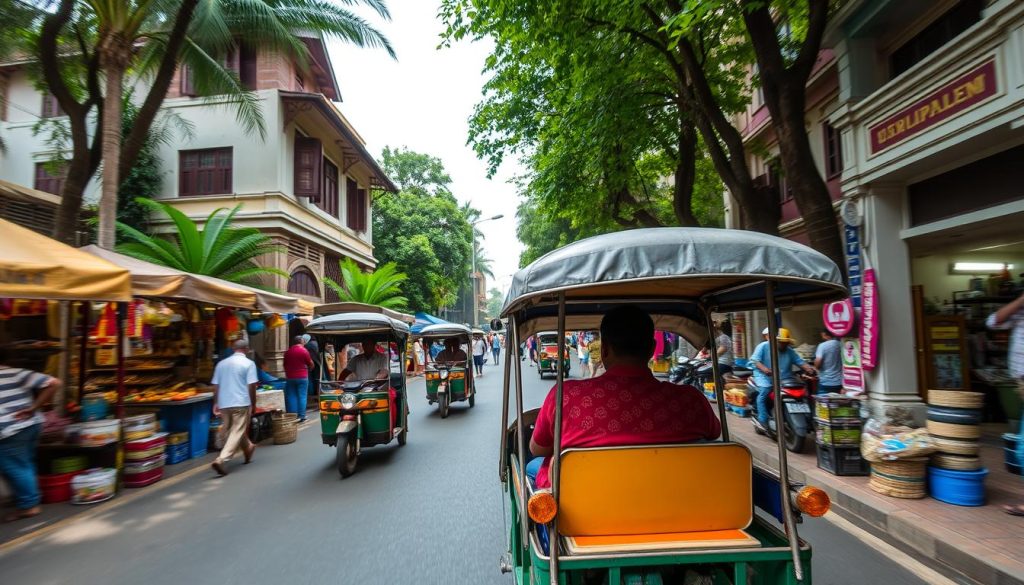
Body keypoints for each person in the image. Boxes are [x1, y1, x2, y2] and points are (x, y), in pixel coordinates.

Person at [527, 306, 721, 488]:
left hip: (582, 513)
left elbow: (538, 449)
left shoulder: (565, 396)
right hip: (678, 504)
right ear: (652, 349)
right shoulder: (691, 401)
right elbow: (714, 434)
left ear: (604, 350)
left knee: (533, 465)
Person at [0, 347, 61, 522]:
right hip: (31, 425)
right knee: (24, 463)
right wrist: (34, 408)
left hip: (9, 429)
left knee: (14, 466)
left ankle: (29, 505)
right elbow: (53, 383)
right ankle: (29, 497)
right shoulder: (17, 373)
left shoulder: (13, 373)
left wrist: (34, 407)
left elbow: (55, 382)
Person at [987, 292, 1024, 516]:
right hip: (1022, 383)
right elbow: (993, 321)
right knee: (1021, 449)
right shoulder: (1020, 311)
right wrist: (1020, 301)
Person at [749, 327, 816, 432]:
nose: (784, 345)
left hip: (784, 378)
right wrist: (765, 369)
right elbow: (755, 360)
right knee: (764, 392)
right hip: (764, 376)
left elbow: (800, 362)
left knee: (804, 394)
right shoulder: (763, 346)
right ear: (776, 341)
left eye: (786, 343)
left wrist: (809, 369)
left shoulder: (790, 351)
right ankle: (763, 420)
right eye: (782, 342)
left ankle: (808, 419)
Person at [210, 339, 258, 476]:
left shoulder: (221, 364)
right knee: (237, 430)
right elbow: (252, 386)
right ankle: (221, 459)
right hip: (240, 402)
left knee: (233, 429)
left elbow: (216, 386)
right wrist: (253, 404)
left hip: (224, 403)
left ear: (233, 349)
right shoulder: (249, 363)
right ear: (247, 349)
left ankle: (248, 448)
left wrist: (216, 403)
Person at [283, 335, 313, 423]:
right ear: (302, 341)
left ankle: (293, 416)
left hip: (290, 377)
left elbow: (285, 364)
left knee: (292, 396)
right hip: (302, 376)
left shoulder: (287, 352)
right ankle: (302, 416)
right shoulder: (304, 351)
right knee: (302, 396)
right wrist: (310, 369)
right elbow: (310, 363)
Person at [814, 330, 842, 394]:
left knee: (822, 403)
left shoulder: (822, 346)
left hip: (825, 381)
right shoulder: (840, 344)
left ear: (825, 335)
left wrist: (816, 367)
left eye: (822, 336)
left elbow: (818, 361)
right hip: (839, 382)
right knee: (838, 402)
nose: (822, 338)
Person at [303, 333, 321, 398]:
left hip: (312, 364)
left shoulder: (308, 345)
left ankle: (311, 393)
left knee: (310, 378)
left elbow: (309, 358)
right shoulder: (316, 343)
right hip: (318, 363)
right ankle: (317, 393)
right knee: (317, 379)